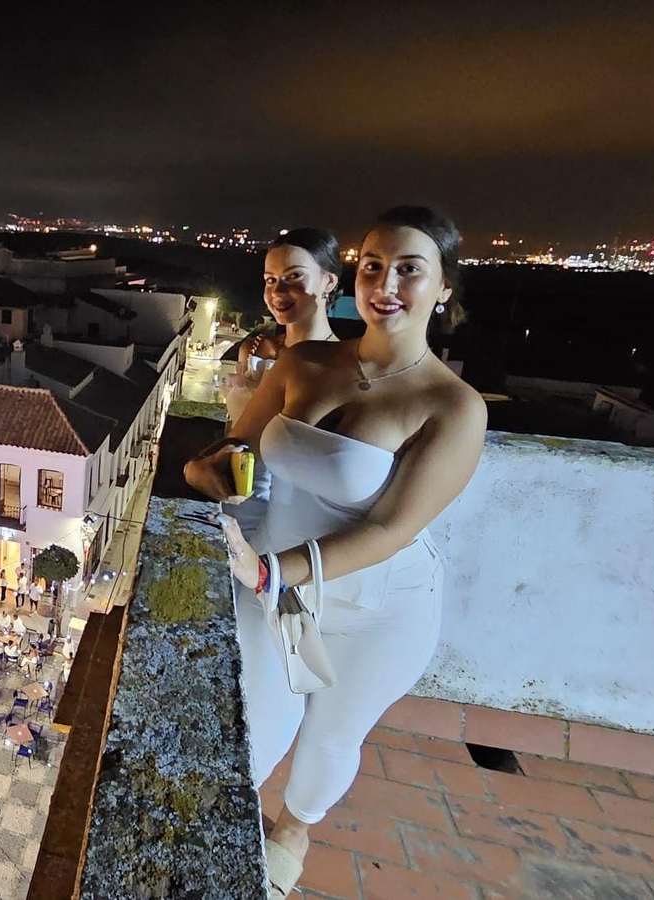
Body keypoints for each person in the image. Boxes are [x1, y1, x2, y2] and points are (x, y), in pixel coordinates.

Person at [184, 206, 485, 893]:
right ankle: (225, 836)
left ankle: (293, 831)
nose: (386, 282)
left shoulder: (453, 405)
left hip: (377, 604)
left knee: (327, 740)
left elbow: (390, 530)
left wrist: (268, 570)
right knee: (248, 727)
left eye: (411, 269)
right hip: (276, 587)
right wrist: (206, 474)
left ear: (443, 289)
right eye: (373, 265)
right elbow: (235, 452)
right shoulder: (306, 360)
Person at [224, 228, 344, 424]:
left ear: (329, 282)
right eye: (271, 279)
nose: (277, 291)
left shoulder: (342, 365)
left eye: (295, 276)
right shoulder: (255, 350)